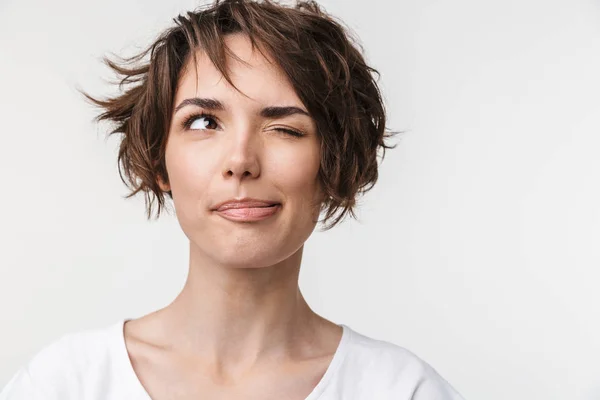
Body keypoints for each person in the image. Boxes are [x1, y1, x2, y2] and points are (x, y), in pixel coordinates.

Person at [0, 0, 464, 398]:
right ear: (159, 161)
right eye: (203, 122)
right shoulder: (62, 385)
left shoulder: (401, 390)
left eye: (284, 128)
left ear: (333, 165)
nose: (241, 161)